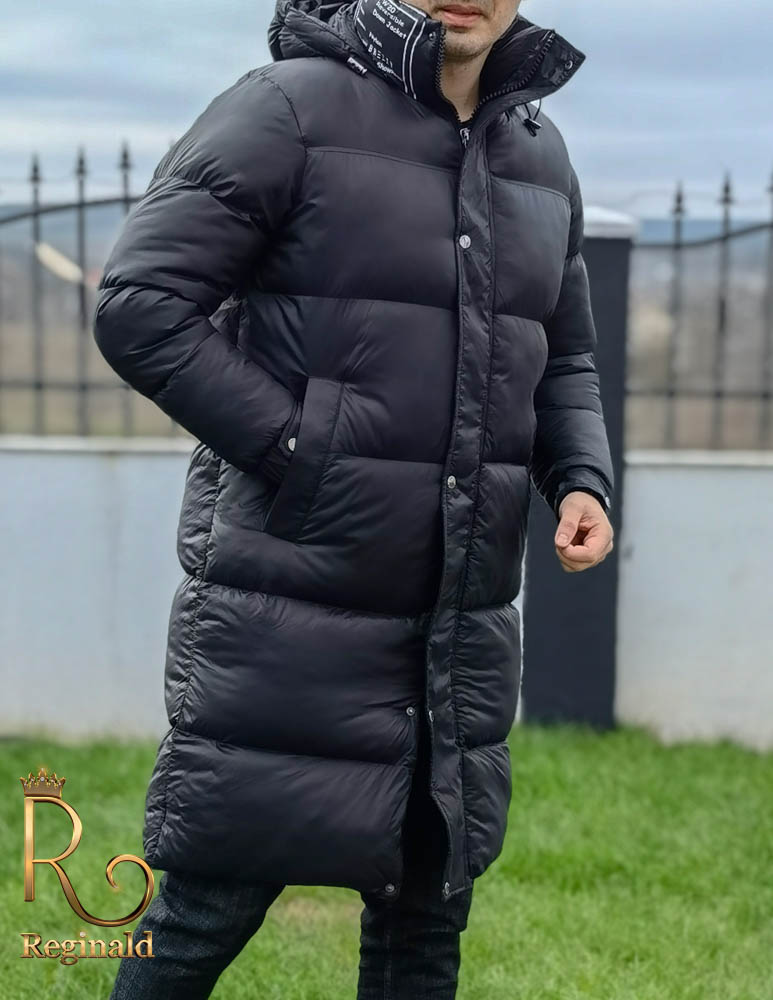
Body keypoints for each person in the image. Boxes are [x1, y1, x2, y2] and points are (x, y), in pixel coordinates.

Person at [94, 0, 615, 995]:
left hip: (454, 625)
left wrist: (578, 477)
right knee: (199, 919)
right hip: (290, 604)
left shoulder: (537, 155)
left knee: (423, 928)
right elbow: (140, 303)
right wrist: (301, 448)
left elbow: (563, 356)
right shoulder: (287, 108)